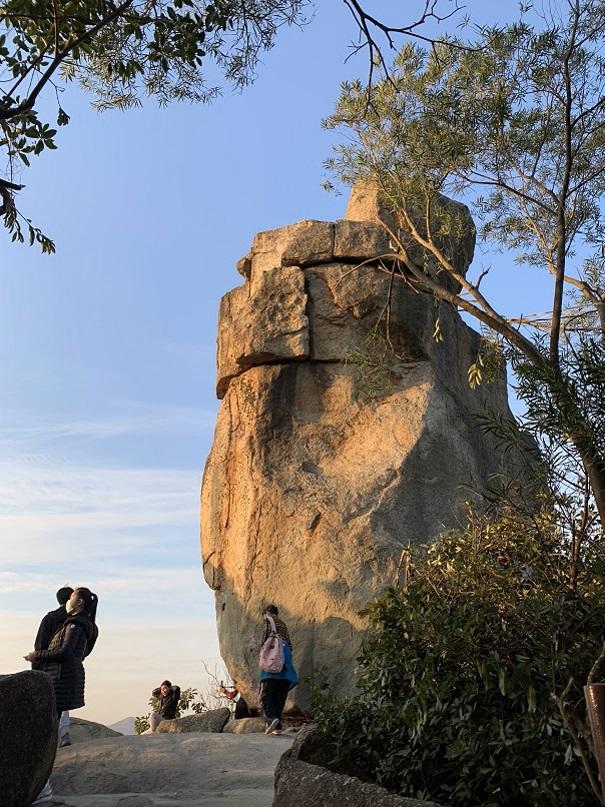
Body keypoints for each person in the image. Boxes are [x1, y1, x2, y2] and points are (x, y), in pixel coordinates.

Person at [24, 587, 99, 806]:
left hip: (58, 678)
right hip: (66, 678)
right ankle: (42, 785)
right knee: (51, 725)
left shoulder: (74, 624)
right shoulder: (87, 624)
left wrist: (35, 657)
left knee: (45, 729)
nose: (69, 602)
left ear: (79, 601)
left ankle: (42, 787)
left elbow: (64, 652)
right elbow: (82, 653)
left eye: (73, 598)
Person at [32, 586, 74, 747]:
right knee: (62, 701)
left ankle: (52, 740)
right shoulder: (75, 619)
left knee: (55, 701)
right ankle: (62, 735)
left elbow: (39, 646)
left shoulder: (51, 618)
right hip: (65, 667)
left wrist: (36, 668)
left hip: (50, 666)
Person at [259, 604, 298, 735]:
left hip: (273, 660)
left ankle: (271, 719)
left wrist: (263, 656)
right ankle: (277, 727)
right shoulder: (283, 625)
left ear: (266, 612)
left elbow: (264, 640)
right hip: (285, 661)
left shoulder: (268, 620)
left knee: (266, 694)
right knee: (280, 694)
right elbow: (290, 646)